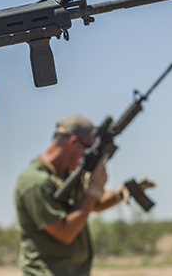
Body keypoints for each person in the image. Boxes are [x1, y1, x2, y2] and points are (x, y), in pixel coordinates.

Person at [14, 115, 155, 276]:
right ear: (74, 143)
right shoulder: (34, 182)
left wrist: (119, 193)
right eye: (88, 149)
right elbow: (65, 232)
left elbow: (93, 204)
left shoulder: (65, 176)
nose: (86, 157)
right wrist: (93, 189)